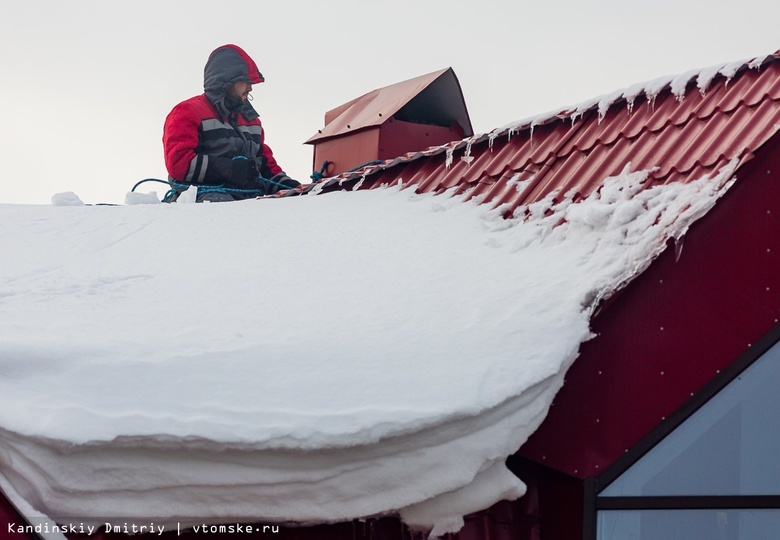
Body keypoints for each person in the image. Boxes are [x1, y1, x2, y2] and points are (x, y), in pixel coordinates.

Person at [163, 44, 300, 202]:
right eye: (245, 81)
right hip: (204, 197)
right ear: (226, 81)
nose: (250, 88)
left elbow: (265, 166)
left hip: (250, 197)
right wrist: (229, 169)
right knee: (221, 209)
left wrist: (291, 187)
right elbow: (179, 164)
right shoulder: (187, 112)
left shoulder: (252, 121)